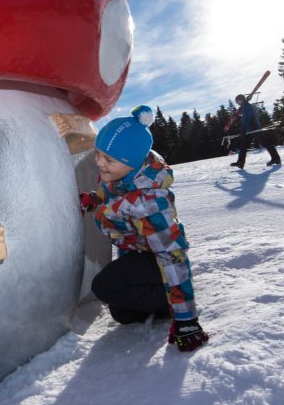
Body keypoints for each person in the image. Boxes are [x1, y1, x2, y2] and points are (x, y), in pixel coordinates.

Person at [79, 106, 209, 352]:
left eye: (108, 160)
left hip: (157, 258)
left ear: (133, 162)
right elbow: (111, 193)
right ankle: (162, 296)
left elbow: (173, 256)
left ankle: (174, 301)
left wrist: (187, 320)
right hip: (136, 252)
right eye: (98, 154)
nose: (99, 163)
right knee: (122, 313)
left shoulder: (151, 203)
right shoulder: (121, 174)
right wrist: (94, 199)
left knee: (104, 287)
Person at [229, 93, 281, 168]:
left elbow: (248, 118)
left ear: (241, 100)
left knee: (265, 142)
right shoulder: (244, 106)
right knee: (243, 145)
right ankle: (240, 162)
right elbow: (244, 118)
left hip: (254, 127)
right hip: (249, 129)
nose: (237, 103)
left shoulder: (246, 106)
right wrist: (239, 118)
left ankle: (276, 158)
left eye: (237, 101)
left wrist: (244, 128)